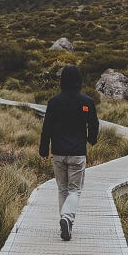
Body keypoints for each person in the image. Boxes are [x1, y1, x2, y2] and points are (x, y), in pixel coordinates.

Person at [39, 65, 99, 241]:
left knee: (62, 189)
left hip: (57, 153)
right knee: (75, 190)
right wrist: (92, 139)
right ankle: (67, 218)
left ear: (62, 80)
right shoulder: (86, 102)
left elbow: (46, 128)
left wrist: (44, 149)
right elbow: (94, 124)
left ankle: (66, 222)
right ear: (78, 80)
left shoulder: (54, 102)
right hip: (77, 153)